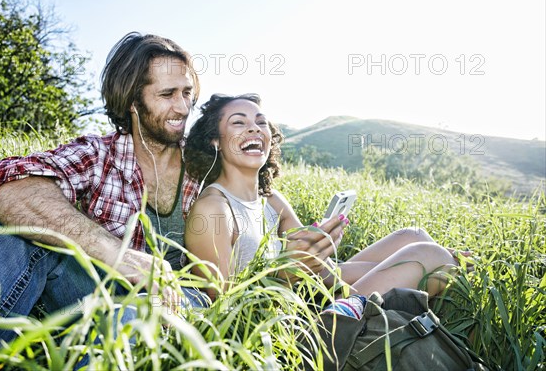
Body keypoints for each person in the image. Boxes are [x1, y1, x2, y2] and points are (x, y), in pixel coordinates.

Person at [0, 32, 208, 343]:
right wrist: (118, 254)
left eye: (187, 93)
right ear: (133, 102)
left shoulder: (206, 160)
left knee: (131, 316)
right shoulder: (99, 155)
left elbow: (259, 194)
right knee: (19, 232)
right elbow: (7, 186)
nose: (182, 107)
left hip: (176, 304)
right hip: (90, 294)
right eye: (167, 95)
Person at [183, 93, 462, 309]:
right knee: (431, 257)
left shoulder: (270, 199)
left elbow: (323, 273)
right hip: (294, 332)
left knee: (413, 237)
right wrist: (286, 273)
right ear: (215, 142)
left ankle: (386, 309)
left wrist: (316, 251)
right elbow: (224, 306)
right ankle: (363, 322)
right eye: (239, 122)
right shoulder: (214, 209)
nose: (254, 129)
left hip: (306, 299)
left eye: (260, 122)